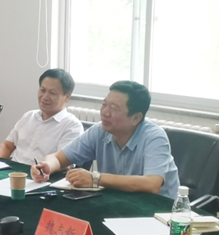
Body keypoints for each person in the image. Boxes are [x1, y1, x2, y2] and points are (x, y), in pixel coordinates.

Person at [31, 81, 179, 199]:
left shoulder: (154, 137)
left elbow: (152, 184)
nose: (105, 113)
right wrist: (47, 166)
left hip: (158, 211)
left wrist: (96, 178)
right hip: (118, 202)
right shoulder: (99, 131)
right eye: (104, 105)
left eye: (114, 108)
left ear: (136, 118)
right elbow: (58, 158)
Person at [0, 69, 83, 165]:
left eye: (52, 93)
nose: (45, 97)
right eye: (42, 90)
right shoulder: (29, 116)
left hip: (42, 173)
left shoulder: (72, 126)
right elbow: (7, 146)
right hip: (13, 170)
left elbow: (63, 163)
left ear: (67, 97)